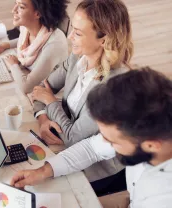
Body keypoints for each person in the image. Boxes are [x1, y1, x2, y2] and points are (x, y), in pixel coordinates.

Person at [11, 67, 172, 208]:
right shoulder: (149, 135)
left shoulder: (163, 197)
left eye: (113, 141)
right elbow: (91, 148)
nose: (105, 143)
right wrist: (43, 171)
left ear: (151, 145)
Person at [31, 0, 134, 193]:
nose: (69, 37)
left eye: (78, 33)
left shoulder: (113, 87)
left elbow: (73, 138)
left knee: (43, 192)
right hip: (63, 145)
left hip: (96, 169)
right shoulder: (78, 56)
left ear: (103, 40)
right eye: (72, 29)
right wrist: (43, 118)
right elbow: (40, 89)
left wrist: (50, 102)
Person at [0, 0, 69, 94]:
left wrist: (13, 65)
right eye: (16, 4)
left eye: (21, 7)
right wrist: (3, 46)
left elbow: (26, 88)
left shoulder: (54, 45)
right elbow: (28, 41)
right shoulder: (28, 29)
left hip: (49, 95)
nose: (13, 10)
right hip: (29, 75)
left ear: (38, 14)